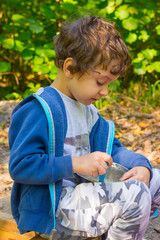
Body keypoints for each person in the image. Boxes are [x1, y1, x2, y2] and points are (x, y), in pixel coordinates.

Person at [8, 16, 160, 240]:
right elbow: (21, 166)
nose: (105, 92)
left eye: (110, 84)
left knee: (153, 180)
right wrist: (76, 164)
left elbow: (113, 150)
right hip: (57, 208)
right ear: (70, 68)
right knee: (136, 194)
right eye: (100, 82)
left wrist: (141, 166)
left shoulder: (87, 109)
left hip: (88, 196)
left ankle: (122, 228)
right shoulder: (41, 110)